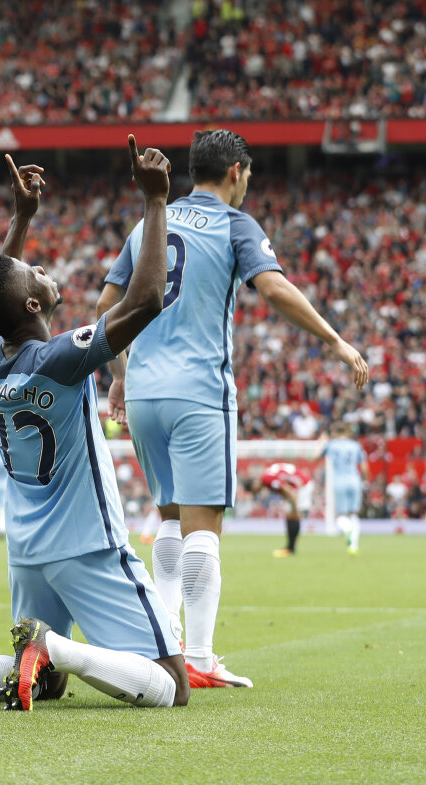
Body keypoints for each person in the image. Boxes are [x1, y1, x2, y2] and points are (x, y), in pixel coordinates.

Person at [0, 139, 190, 710]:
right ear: (32, 306)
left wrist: (21, 218)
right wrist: (155, 201)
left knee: (43, 685)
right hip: (86, 543)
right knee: (171, 684)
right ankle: (53, 646)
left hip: (27, 546)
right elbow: (146, 299)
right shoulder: (59, 359)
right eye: (35, 273)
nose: (43, 270)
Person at [96, 128, 369, 689]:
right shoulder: (234, 223)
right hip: (199, 390)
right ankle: (197, 657)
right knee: (203, 528)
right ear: (238, 171)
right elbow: (271, 288)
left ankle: (163, 645)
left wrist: (118, 377)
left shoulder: (150, 220)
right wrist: (336, 341)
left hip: (145, 391)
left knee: (168, 519)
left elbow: (107, 305)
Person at [320, 422, 368, 554]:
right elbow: (364, 467)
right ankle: (354, 546)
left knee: (341, 516)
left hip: (339, 481)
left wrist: (322, 442)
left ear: (335, 432)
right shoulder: (356, 446)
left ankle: (347, 530)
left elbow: (316, 456)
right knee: (353, 514)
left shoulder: (331, 445)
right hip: (354, 480)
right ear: (347, 432)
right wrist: (364, 482)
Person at [255, 462, 313, 558]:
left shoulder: (266, 478)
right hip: (300, 483)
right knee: (290, 515)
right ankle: (290, 548)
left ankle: (291, 548)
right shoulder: (269, 473)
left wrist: (295, 508)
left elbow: (288, 491)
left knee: (292, 515)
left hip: (303, 486)